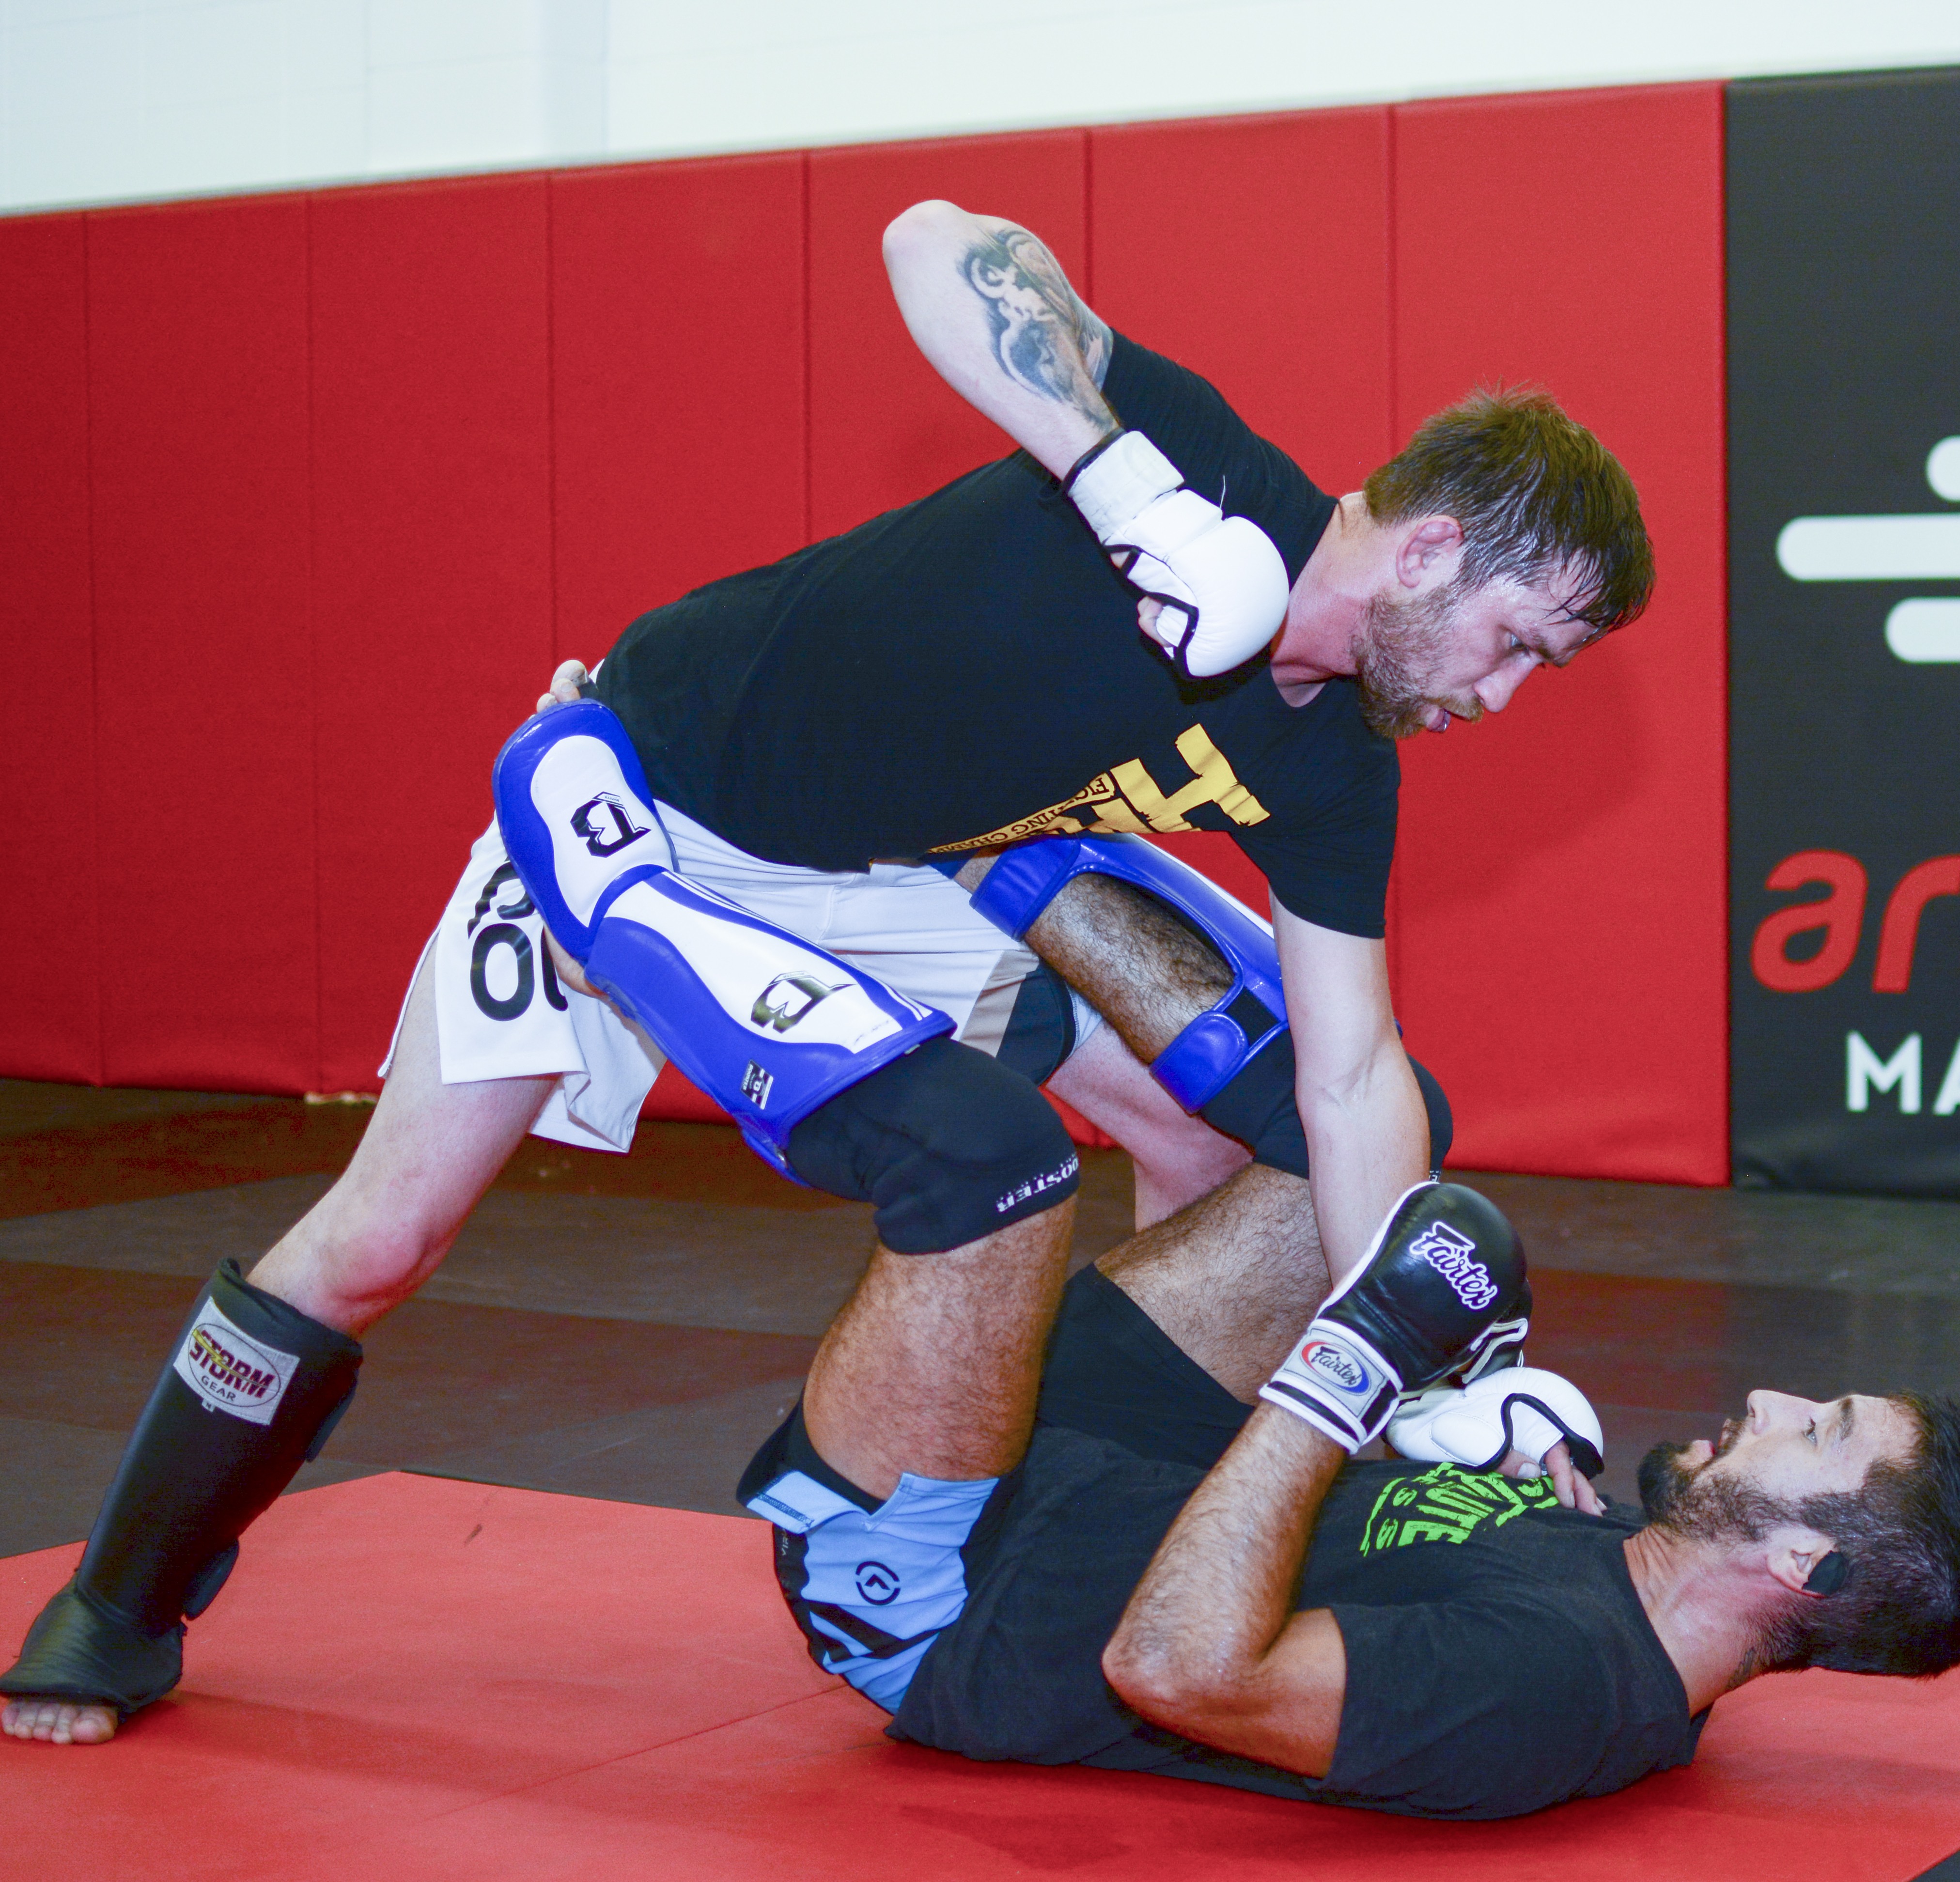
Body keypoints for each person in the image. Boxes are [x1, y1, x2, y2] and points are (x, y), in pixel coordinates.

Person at [2, 196, 1654, 1747]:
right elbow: (937, 240)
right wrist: (1119, 484)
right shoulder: (1202, 471)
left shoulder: (1338, 759)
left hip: (877, 883)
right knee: (383, 1236)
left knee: (1223, 1132)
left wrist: (1417, 1364)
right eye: (1519, 643)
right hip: (635, 802)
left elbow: (1351, 1074)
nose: (1503, 699)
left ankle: (1123, 1487)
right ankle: (122, 1595)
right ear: (1429, 551)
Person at [750, 1156, 1960, 1820]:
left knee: (993, 1178)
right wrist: (1450, 1421)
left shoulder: (1554, 1690)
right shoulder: (1625, 1565)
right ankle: (1003, 869)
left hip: (955, 1603)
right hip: (1115, 1478)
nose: (1767, 1401)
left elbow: (1176, 1672)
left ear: (1805, 1564)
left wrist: (1344, 1379)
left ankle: (615, 919)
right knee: (1352, 1150)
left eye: (1815, 1431)